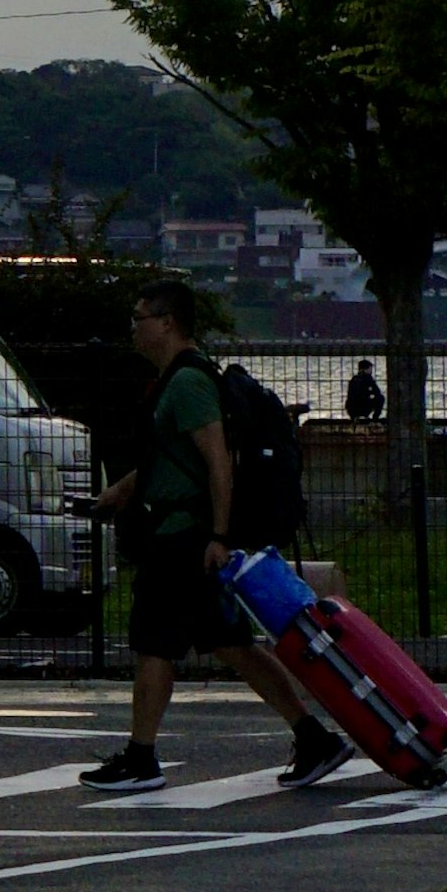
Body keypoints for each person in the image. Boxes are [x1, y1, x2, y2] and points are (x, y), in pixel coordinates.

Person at [85, 282, 339, 791]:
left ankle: (141, 758)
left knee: (155, 643)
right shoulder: (172, 383)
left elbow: (218, 461)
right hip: (189, 534)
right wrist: (120, 492)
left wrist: (219, 535)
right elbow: (168, 457)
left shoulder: (187, 383)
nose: (133, 327)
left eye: (140, 317)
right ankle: (314, 738)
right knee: (231, 644)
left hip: (187, 538)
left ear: (168, 322)